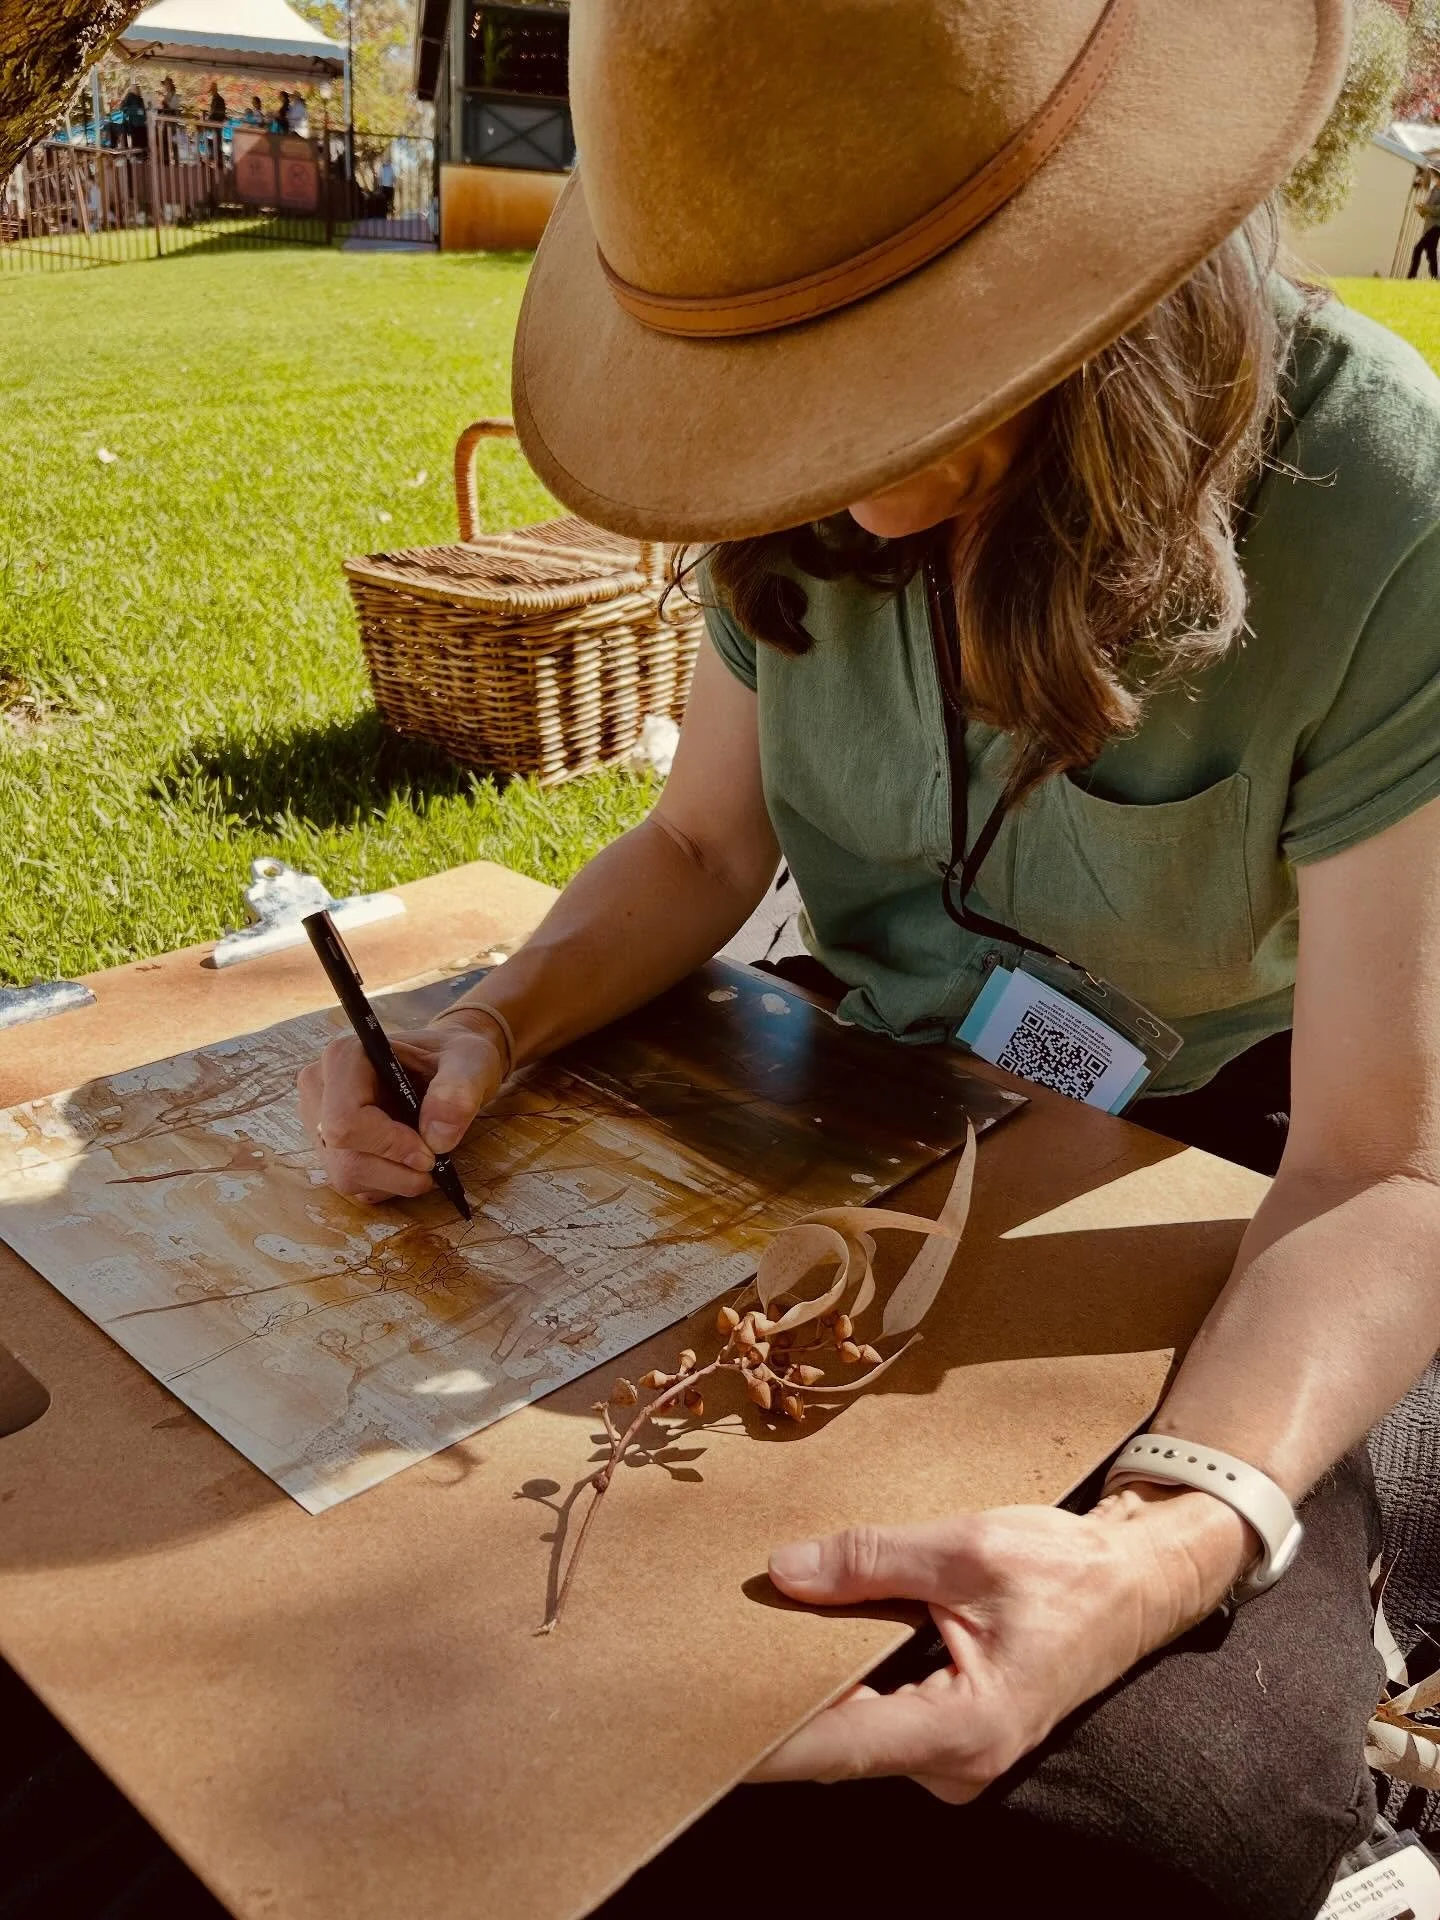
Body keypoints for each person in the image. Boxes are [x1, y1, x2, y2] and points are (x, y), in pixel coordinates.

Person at [302, 2, 1440, 1913]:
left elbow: (1381, 1165)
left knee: (1167, 1818)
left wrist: (1171, 1539)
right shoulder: (795, 484)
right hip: (858, 1095)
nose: (843, 482)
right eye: (783, 394)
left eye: (919, 370)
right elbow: (695, 844)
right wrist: (488, 1021)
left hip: (1232, 1157)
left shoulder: (1385, 504)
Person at [1409, 164, 1440, 279]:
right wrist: (1421, 210)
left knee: (1418, 249)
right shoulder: (1434, 190)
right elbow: (1428, 210)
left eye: (1435, 175)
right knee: (1431, 254)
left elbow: (1438, 210)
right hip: (1429, 226)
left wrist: (1426, 208)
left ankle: (1411, 276)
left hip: (1436, 227)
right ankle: (1435, 278)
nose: (1433, 177)